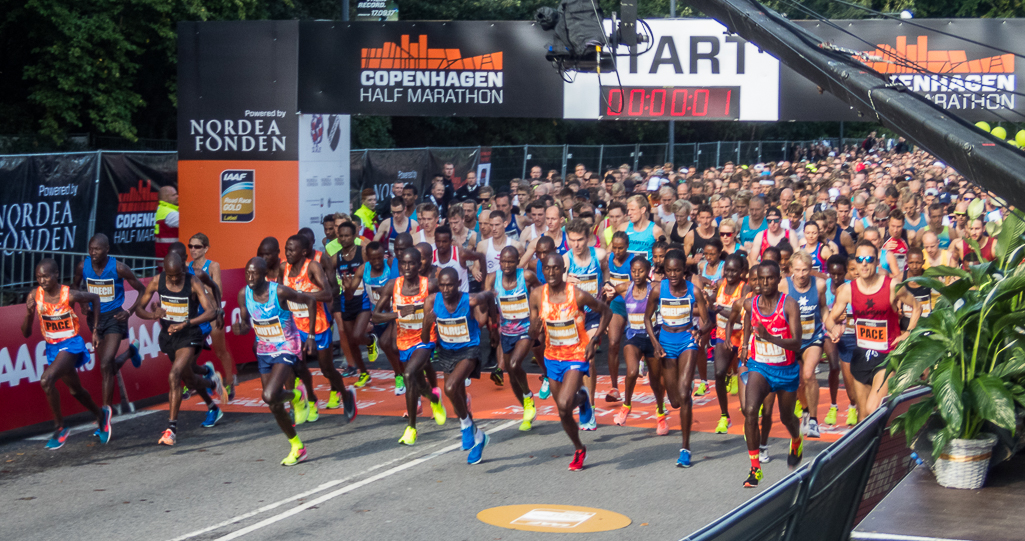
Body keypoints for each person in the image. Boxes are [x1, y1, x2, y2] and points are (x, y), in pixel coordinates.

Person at [234, 257, 333, 465]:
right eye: (247, 273)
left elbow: (310, 301)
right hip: (264, 349)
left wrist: (312, 336)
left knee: (269, 393)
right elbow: (245, 323)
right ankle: (297, 446)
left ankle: (297, 396)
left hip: (287, 345)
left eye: (255, 274)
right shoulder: (244, 294)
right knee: (272, 402)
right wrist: (240, 329)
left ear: (264, 275)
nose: (250, 278)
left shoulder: (279, 291)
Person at [527, 252, 611, 471]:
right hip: (552, 356)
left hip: (576, 354)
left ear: (563, 271)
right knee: (563, 411)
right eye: (547, 268)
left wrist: (595, 340)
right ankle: (579, 447)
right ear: (542, 270)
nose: (552, 272)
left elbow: (606, 312)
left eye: (556, 268)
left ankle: (582, 398)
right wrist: (533, 331)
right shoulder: (537, 295)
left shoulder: (577, 295)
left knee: (565, 403)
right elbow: (532, 331)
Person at [135, 252, 226, 446]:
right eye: (171, 275)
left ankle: (171, 429)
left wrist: (187, 323)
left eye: (178, 275)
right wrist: (153, 315)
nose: (175, 279)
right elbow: (139, 308)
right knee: (189, 379)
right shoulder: (157, 281)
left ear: (183, 270)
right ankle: (211, 384)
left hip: (189, 335)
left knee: (174, 374)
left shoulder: (193, 281)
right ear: (165, 271)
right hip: (169, 336)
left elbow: (210, 311)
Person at [827, 240, 920, 417]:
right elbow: (830, 319)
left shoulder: (892, 286)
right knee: (863, 417)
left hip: (887, 357)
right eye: (860, 258)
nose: (864, 263)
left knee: (873, 409)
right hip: (861, 355)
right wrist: (834, 329)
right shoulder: (847, 290)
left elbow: (917, 307)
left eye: (869, 259)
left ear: (877, 262)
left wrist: (908, 333)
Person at [23, 259, 106, 449]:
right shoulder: (35, 295)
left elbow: (94, 298)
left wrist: (96, 329)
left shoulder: (68, 295)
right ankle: (101, 415)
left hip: (71, 345)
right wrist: (28, 314)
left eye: (46, 276)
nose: (42, 280)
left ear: (56, 275)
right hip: (52, 347)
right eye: (38, 277)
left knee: (46, 380)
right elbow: (26, 333)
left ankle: (60, 427)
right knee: (76, 390)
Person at [72, 234, 145, 438]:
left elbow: (142, 290)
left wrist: (129, 312)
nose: (93, 253)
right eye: (90, 248)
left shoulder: (119, 268)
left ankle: (105, 414)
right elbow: (75, 287)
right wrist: (83, 303)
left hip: (114, 318)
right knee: (107, 367)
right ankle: (130, 352)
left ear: (107, 250)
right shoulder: (82, 266)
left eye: (97, 249)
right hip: (95, 320)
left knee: (105, 365)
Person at [740, 260, 805, 487]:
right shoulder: (751, 304)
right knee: (749, 411)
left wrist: (771, 338)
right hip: (761, 367)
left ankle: (796, 439)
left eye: (770, 278)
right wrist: (745, 345)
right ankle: (755, 468)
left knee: (787, 417)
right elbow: (746, 318)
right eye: (760, 278)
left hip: (786, 371)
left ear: (779, 279)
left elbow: (797, 343)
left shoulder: (790, 305)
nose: (765, 282)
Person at [645, 249, 712, 468]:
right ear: (664, 271)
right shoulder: (658, 290)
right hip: (665, 343)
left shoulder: (694, 291)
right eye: (668, 271)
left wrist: (699, 332)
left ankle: (685, 448)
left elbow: (707, 320)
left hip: (686, 341)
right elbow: (647, 318)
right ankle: (683, 391)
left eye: (677, 270)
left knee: (684, 393)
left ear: (685, 270)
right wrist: (655, 343)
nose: (673, 275)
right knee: (674, 400)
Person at [373, 248, 446, 445]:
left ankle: (411, 428)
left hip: (424, 339)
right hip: (403, 341)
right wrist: (398, 314)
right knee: (415, 383)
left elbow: (447, 300)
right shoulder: (392, 285)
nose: (407, 267)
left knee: (408, 375)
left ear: (418, 264)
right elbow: (375, 316)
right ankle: (433, 399)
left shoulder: (428, 285)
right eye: (403, 263)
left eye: (411, 263)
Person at [422, 268, 494, 463]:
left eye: (450, 284)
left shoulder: (469, 300)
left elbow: (487, 295)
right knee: (457, 398)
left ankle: (465, 425)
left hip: (469, 350)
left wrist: (493, 315)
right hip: (447, 352)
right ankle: (479, 437)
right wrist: (427, 324)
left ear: (458, 284)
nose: (446, 289)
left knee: (450, 387)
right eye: (443, 284)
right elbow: (423, 338)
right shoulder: (431, 302)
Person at [610, 256, 670, 432]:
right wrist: (606, 320)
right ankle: (626, 406)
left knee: (656, 382)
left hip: (653, 338)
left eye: (641, 271)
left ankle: (660, 415)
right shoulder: (624, 288)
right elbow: (607, 298)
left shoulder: (655, 289)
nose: (637, 274)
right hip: (633, 337)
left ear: (648, 271)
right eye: (634, 271)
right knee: (632, 371)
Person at [486, 246, 543, 430]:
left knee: (513, 364)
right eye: (504, 261)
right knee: (512, 376)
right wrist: (493, 328)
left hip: (526, 329)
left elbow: (541, 293)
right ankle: (527, 405)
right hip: (506, 331)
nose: (507, 265)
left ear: (517, 261)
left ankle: (527, 396)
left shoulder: (525, 277)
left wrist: (538, 319)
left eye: (511, 261)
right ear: (500, 262)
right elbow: (489, 303)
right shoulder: (493, 278)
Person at [780, 251, 829, 438]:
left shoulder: (819, 285)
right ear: (791, 269)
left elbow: (823, 307)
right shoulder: (784, 285)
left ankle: (815, 421)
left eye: (805, 270)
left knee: (808, 374)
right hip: (792, 341)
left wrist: (831, 326)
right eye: (798, 270)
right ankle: (806, 411)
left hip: (813, 338)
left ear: (811, 270)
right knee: (798, 381)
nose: (801, 274)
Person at [185, 233, 237, 399]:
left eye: (197, 246)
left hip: (212, 314)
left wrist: (200, 286)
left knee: (220, 351)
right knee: (189, 355)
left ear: (206, 248)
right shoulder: (186, 266)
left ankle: (229, 383)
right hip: (195, 315)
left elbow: (218, 292)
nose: (193, 250)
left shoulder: (213, 266)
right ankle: (198, 379)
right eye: (190, 246)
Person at [564, 218, 609, 406]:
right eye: (572, 240)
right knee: (574, 362)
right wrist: (565, 280)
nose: (576, 244)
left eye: (580, 240)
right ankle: (579, 391)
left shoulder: (598, 255)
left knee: (588, 358)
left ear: (588, 238)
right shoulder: (565, 259)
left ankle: (590, 406)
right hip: (573, 317)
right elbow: (555, 289)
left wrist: (606, 284)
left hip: (593, 315)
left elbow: (606, 271)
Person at [332, 223, 377, 389]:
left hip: (363, 300)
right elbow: (327, 271)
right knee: (351, 340)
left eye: (347, 236)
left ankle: (370, 339)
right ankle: (364, 373)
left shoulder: (362, 252)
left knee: (358, 336)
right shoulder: (336, 257)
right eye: (341, 236)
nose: (344, 239)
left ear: (354, 236)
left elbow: (372, 271)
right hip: (346, 300)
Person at [711, 254, 748, 434]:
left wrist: (720, 309)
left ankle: (752, 410)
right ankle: (725, 415)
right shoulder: (719, 284)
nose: (730, 274)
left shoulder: (745, 288)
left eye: (734, 270)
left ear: (741, 271)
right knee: (718, 373)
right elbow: (713, 306)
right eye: (728, 270)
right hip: (721, 335)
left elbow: (740, 314)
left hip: (741, 337)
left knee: (747, 377)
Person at [825, 255, 859, 426]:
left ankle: (853, 406)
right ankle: (833, 405)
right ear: (829, 273)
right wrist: (832, 322)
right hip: (828, 332)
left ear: (845, 273)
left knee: (851, 377)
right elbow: (823, 308)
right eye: (833, 274)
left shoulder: (850, 288)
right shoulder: (823, 287)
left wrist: (844, 318)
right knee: (833, 366)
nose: (836, 277)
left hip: (850, 335)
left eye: (840, 274)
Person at [602, 232, 634, 402]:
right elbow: (607, 279)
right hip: (617, 305)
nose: (617, 251)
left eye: (621, 247)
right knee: (613, 343)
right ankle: (614, 387)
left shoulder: (633, 261)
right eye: (614, 247)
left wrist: (620, 287)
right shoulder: (609, 260)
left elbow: (638, 282)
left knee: (641, 346)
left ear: (627, 246)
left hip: (635, 306)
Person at [619, 194, 665, 259]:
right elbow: (611, 251)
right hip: (627, 268)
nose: (629, 213)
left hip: (648, 267)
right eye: (628, 210)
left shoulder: (656, 231)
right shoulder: (623, 228)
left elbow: (662, 256)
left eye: (632, 210)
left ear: (643, 210)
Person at [154, 185, 179, 260]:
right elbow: (190, 222)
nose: (177, 196)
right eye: (173, 195)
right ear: (165, 198)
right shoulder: (170, 213)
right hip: (171, 259)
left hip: (167, 257)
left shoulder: (164, 209)